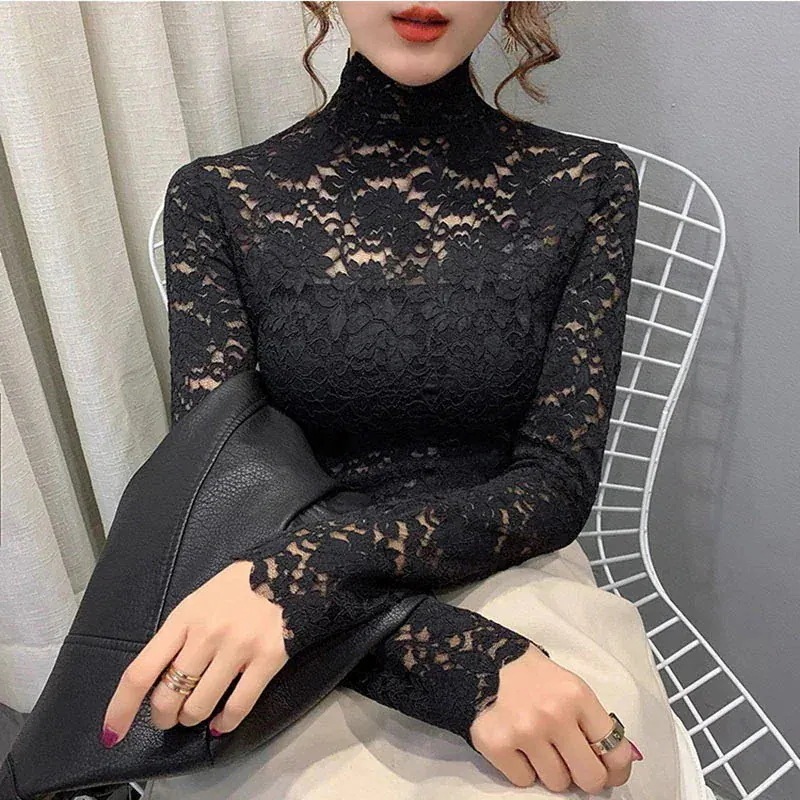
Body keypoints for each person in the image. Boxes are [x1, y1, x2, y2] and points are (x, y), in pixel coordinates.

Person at [104, 3, 685, 797]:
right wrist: (458, 664)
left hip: (503, 570)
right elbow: (224, 484)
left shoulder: (587, 185)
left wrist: (314, 574)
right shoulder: (218, 197)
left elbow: (557, 482)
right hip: (273, 594)